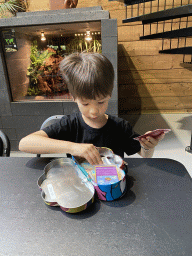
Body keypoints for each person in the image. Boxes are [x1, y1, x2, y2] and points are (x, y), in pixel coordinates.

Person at [19, 52, 164, 165]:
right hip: (82, 185)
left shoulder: (120, 127)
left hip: (111, 185)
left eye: (101, 102)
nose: (94, 111)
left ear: (109, 95)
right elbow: (25, 144)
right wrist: (73, 148)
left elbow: (144, 155)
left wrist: (148, 146)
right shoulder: (70, 125)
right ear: (74, 98)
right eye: (85, 104)